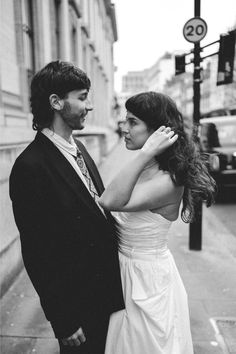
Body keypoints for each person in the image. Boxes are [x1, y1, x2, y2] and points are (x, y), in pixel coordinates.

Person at [9, 60, 124, 354]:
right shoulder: (30, 166)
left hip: (105, 297)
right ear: (56, 102)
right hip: (78, 311)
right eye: (82, 97)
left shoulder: (80, 148)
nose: (90, 106)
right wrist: (64, 319)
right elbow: (37, 252)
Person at [99, 92, 216, 354]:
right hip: (125, 272)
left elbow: (108, 200)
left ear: (157, 131)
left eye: (132, 122)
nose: (123, 128)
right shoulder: (147, 167)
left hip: (146, 279)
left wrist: (146, 152)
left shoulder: (168, 181)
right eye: (124, 120)